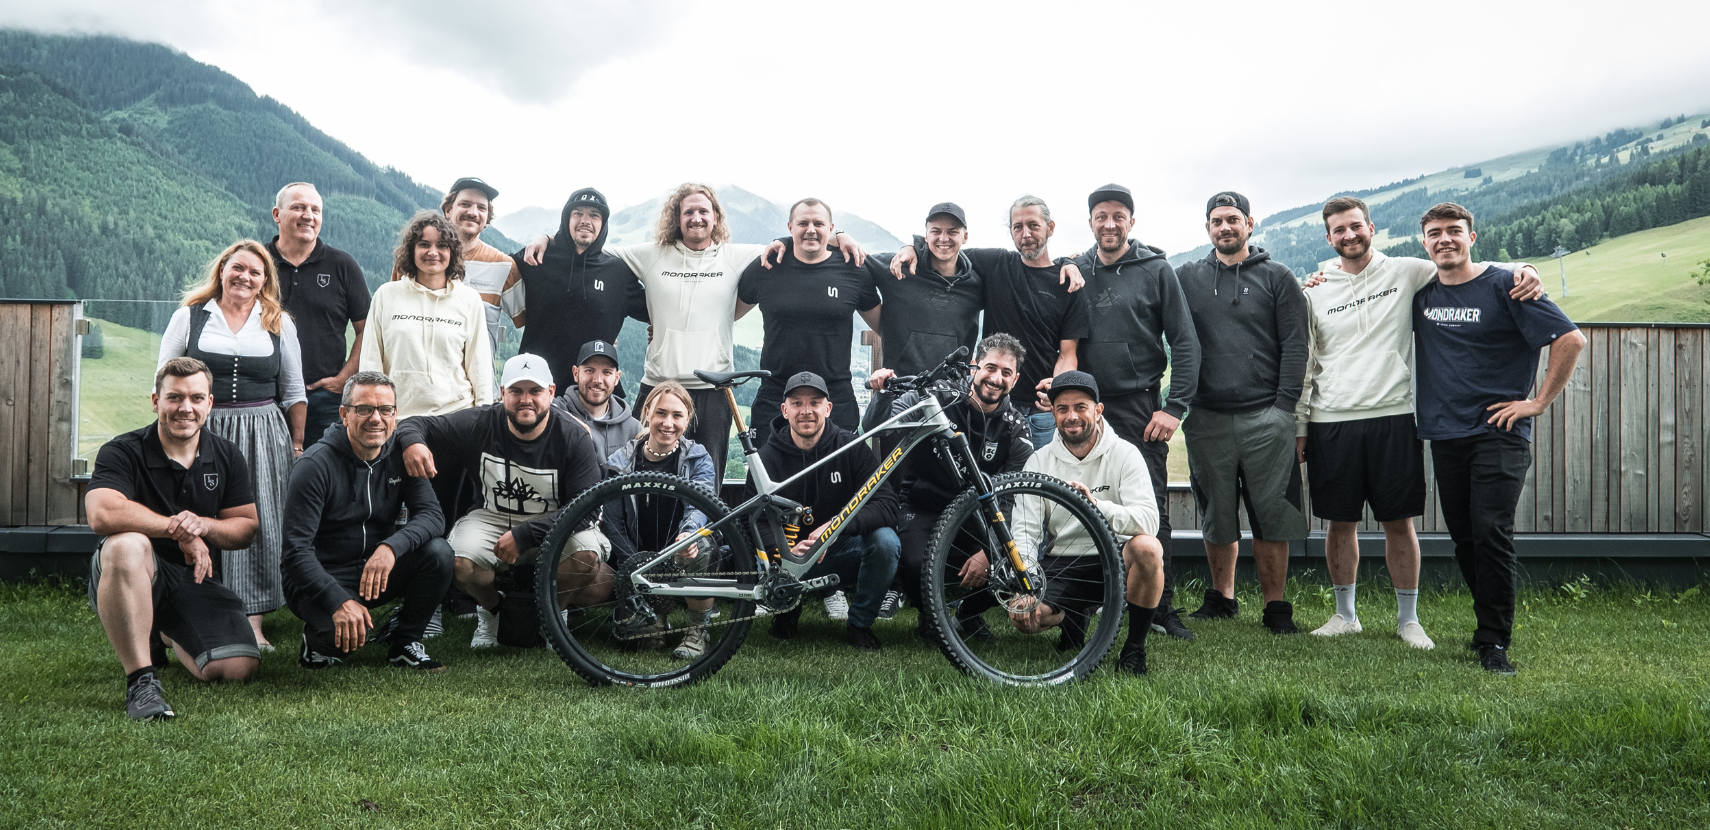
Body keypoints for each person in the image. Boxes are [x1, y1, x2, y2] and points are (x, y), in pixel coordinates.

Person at [1297, 196, 1544, 648]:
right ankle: (1344, 614)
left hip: (1394, 414)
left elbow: (1467, 263)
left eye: (1356, 226)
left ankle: (1408, 620)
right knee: (1338, 522)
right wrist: (1301, 424)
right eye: (1339, 230)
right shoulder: (1313, 288)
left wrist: (1525, 268)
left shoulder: (1408, 271)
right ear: (1328, 238)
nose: (1349, 235)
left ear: (1371, 228)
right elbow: (1307, 361)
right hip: (1330, 417)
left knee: (1399, 521)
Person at [522, 184, 867, 476]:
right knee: (640, 477)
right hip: (658, 384)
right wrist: (547, 236)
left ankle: (704, 553)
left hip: (714, 391)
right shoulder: (651, 254)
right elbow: (587, 242)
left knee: (708, 479)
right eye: (688, 212)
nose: (696, 218)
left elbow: (802, 237)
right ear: (677, 218)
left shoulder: (736, 256)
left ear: (715, 217)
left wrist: (839, 236)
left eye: (704, 211)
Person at [1411, 202, 1584, 675]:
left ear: (1472, 236)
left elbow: (1570, 339)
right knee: (1465, 537)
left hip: (1499, 433)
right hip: (1445, 433)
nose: (1444, 239)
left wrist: (1538, 402)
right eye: (1434, 233)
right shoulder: (1421, 293)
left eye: (1454, 231)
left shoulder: (1507, 285)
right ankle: (1485, 624)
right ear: (1423, 242)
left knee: (1491, 531)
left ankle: (1494, 641)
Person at [85, 358, 261, 720]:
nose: (186, 408)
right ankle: (141, 682)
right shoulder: (122, 450)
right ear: (155, 401)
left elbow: (246, 527)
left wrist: (203, 527)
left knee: (236, 669)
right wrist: (176, 529)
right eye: (174, 397)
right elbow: (102, 514)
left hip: (193, 578)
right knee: (126, 544)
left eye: (197, 398)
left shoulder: (227, 455)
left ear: (210, 403)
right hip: (131, 573)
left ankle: (161, 631)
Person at [396, 354, 609, 650]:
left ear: (551, 392)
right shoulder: (480, 422)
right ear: (502, 394)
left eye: (534, 391)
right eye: (516, 391)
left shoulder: (573, 437)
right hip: (493, 516)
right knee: (456, 560)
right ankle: (493, 612)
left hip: (560, 520)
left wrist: (525, 535)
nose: (526, 400)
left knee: (586, 556)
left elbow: (585, 508)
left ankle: (552, 616)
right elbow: (417, 423)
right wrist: (413, 442)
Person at [158, 240, 306, 649]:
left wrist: (295, 444)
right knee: (197, 513)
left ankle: (253, 619)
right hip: (203, 426)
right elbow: (164, 378)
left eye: (255, 272)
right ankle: (192, 606)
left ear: (264, 281)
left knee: (257, 519)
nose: (244, 277)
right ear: (222, 270)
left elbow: (293, 390)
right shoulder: (189, 317)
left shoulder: (278, 321)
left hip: (263, 429)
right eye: (237, 268)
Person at [1176, 191, 1310, 634]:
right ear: (1208, 228)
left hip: (1265, 417)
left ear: (1250, 224)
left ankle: (1275, 607)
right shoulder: (1188, 278)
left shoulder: (1278, 277)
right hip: (1206, 416)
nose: (1225, 227)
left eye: (1233, 219)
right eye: (1216, 221)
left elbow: (1296, 345)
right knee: (1216, 512)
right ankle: (1222, 597)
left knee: (1271, 513)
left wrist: (1283, 409)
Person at [1072, 183, 1201, 641]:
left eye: (1118, 216)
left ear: (1131, 221)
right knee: (1077, 500)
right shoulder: (1075, 269)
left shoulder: (1156, 270)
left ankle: (1159, 607)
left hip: (1138, 405)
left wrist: (1175, 407)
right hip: (1082, 407)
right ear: (1090, 221)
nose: (1109, 223)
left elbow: (1185, 341)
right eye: (1101, 216)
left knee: (1151, 508)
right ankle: (1079, 602)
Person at [281, 371, 453, 672]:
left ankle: (405, 641)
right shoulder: (313, 465)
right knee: (344, 638)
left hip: (376, 569)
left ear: (395, 415)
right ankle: (317, 643)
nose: (376, 418)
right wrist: (338, 601)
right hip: (323, 575)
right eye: (364, 409)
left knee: (439, 553)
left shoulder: (401, 454)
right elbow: (296, 552)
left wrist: (390, 548)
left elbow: (432, 516)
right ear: (344, 414)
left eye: (385, 409)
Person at [891, 196, 1089, 448]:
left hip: (1041, 411)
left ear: (1050, 228)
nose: (1025, 234)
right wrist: (910, 247)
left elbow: (1068, 353)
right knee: (983, 479)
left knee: (1038, 481)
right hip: (988, 403)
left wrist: (1057, 388)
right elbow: (946, 248)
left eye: (1033, 225)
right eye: (1017, 227)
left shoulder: (1067, 284)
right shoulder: (997, 263)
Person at [1005, 371, 1166, 676]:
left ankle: (1134, 649)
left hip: (1115, 556)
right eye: (1062, 409)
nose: (1071, 416)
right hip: (1063, 560)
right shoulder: (1038, 461)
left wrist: (1096, 506)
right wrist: (1026, 583)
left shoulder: (1125, 454)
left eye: (1080, 407)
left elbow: (1149, 521)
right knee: (1025, 617)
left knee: (1148, 548)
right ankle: (1072, 616)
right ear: (1052, 412)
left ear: (1098, 410)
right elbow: (1025, 529)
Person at [885, 333, 1032, 638]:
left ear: (1015, 380)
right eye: (990, 368)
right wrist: (882, 394)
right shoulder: (941, 396)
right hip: (923, 507)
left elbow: (1009, 501)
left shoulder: (1016, 428)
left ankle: (970, 614)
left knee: (1006, 559)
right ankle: (930, 616)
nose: (996, 379)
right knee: (914, 562)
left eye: (1006, 373)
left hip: (976, 517)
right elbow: (892, 415)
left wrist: (988, 551)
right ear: (974, 367)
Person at [745, 372, 901, 651]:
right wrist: (785, 552)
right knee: (772, 551)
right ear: (785, 410)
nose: (806, 411)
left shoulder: (851, 447)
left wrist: (833, 529)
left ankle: (860, 624)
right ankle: (786, 608)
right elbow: (751, 519)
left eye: (815, 403)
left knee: (886, 542)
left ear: (828, 409)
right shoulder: (767, 457)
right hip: (788, 556)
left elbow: (888, 504)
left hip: (840, 548)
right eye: (797, 403)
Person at [737, 198, 883, 445]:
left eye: (818, 223)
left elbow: (885, 326)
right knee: (766, 479)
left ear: (831, 228)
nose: (811, 229)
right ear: (790, 227)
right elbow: (728, 314)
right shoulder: (767, 266)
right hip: (776, 395)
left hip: (834, 395)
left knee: (840, 478)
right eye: (803, 223)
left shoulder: (852, 269)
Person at [605, 381, 720, 658]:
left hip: (681, 554)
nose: (668, 423)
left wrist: (689, 535)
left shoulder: (698, 458)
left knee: (700, 547)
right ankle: (655, 615)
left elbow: (699, 504)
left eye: (677, 415)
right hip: (638, 557)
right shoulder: (620, 462)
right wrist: (634, 568)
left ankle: (697, 630)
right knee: (632, 638)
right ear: (647, 412)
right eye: (661, 413)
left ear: (687, 419)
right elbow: (613, 523)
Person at [502, 187, 648, 388]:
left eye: (594, 215)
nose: (585, 220)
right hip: (538, 387)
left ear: (603, 224)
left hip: (592, 391)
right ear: (566, 219)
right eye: (577, 213)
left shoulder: (618, 273)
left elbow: (657, 310)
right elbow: (497, 270)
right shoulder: (539, 257)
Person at [862, 202, 985, 433]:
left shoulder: (977, 284)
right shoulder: (901, 267)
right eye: (936, 231)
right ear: (926, 234)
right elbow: (857, 264)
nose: (943, 238)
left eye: (952, 232)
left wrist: (1070, 262)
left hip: (951, 398)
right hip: (900, 394)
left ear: (965, 236)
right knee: (897, 467)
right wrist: (839, 236)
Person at [360, 210, 494, 419]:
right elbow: (370, 361)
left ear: (452, 252)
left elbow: (480, 366)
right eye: (424, 244)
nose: (433, 252)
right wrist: (373, 412)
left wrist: (485, 418)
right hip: (399, 418)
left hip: (456, 417)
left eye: (442, 245)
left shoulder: (469, 299)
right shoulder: (386, 295)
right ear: (411, 250)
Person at [268, 182, 369, 445]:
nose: (308, 215)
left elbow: (367, 329)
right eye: (298, 207)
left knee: (322, 477)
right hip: (267, 395)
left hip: (325, 398)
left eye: (315, 209)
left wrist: (343, 379)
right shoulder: (258, 263)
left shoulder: (342, 265)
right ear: (277, 214)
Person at [429, 177, 515, 359]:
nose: (473, 212)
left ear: (487, 217)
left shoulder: (503, 265)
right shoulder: (420, 259)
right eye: (465, 204)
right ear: (448, 210)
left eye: (482, 208)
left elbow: (535, 321)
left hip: (478, 383)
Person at [553, 340, 641, 463]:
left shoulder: (633, 429)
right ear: (576, 373)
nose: (598, 380)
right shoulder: (555, 415)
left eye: (606, 372)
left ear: (616, 378)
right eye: (590, 370)